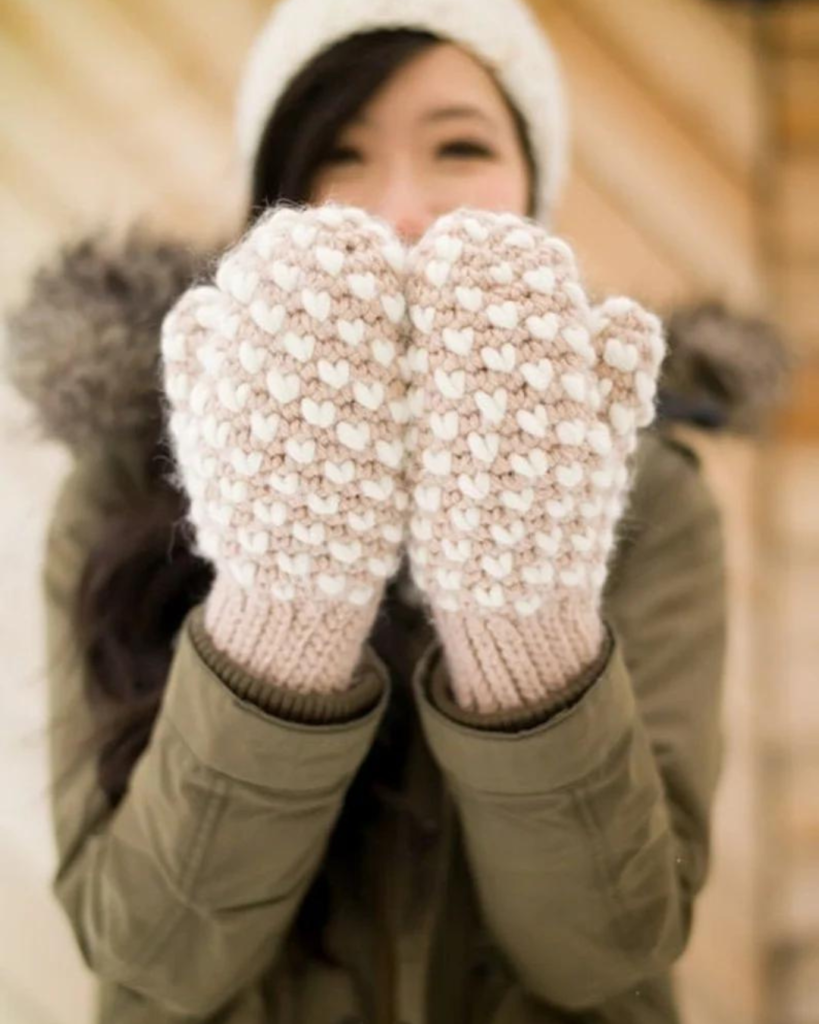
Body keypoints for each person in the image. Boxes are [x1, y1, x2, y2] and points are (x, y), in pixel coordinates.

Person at [4, 1, 742, 1021]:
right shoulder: (128, 481)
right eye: (339, 154)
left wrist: (520, 619)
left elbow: (607, 955)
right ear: (273, 203)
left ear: (536, 187)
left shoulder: (650, 494)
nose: (401, 208)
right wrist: (284, 610)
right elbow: (155, 959)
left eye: (460, 145)